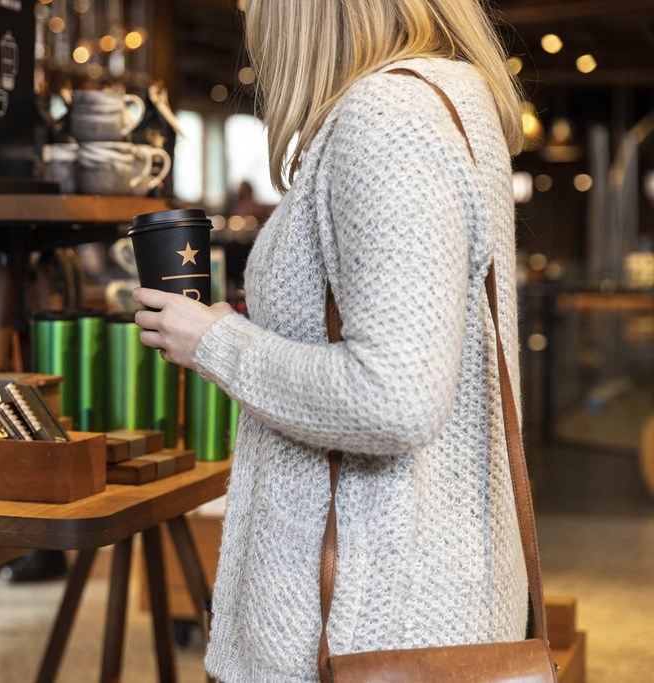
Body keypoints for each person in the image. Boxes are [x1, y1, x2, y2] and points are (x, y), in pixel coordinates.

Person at [133, 0, 527, 681]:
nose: (251, 12)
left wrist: (217, 341)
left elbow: (395, 397)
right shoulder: (450, 99)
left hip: (360, 623)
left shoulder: (388, 120)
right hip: (418, 593)